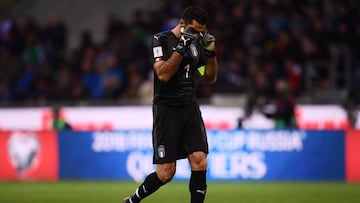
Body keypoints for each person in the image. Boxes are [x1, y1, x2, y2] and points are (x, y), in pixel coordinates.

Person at [123, 6, 218, 203]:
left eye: (202, 31)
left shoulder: (195, 46)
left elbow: (209, 77)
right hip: (167, 109)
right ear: (182, 24)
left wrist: (210, 54)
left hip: (190, 106)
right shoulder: (161, 40)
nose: (199, 35)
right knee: (166, 172)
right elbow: (163, 74)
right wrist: (181, 47)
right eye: (195, 30)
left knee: (200, 161)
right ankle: (132, 200)